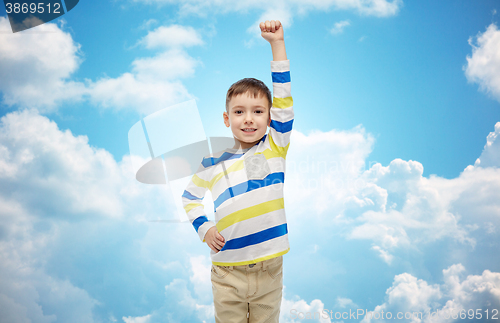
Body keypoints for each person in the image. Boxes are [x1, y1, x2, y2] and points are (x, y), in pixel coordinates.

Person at [182, 19, 293, 323]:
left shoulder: (273, 148)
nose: (248, 119)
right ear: (226, 118)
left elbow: (284, 100)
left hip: (269, 270)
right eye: (239, 112)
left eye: (258, 112)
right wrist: (204, 228)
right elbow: (189, 197)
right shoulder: (211, 162)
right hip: (226, 273)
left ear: (270, 118)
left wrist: (276, 44)